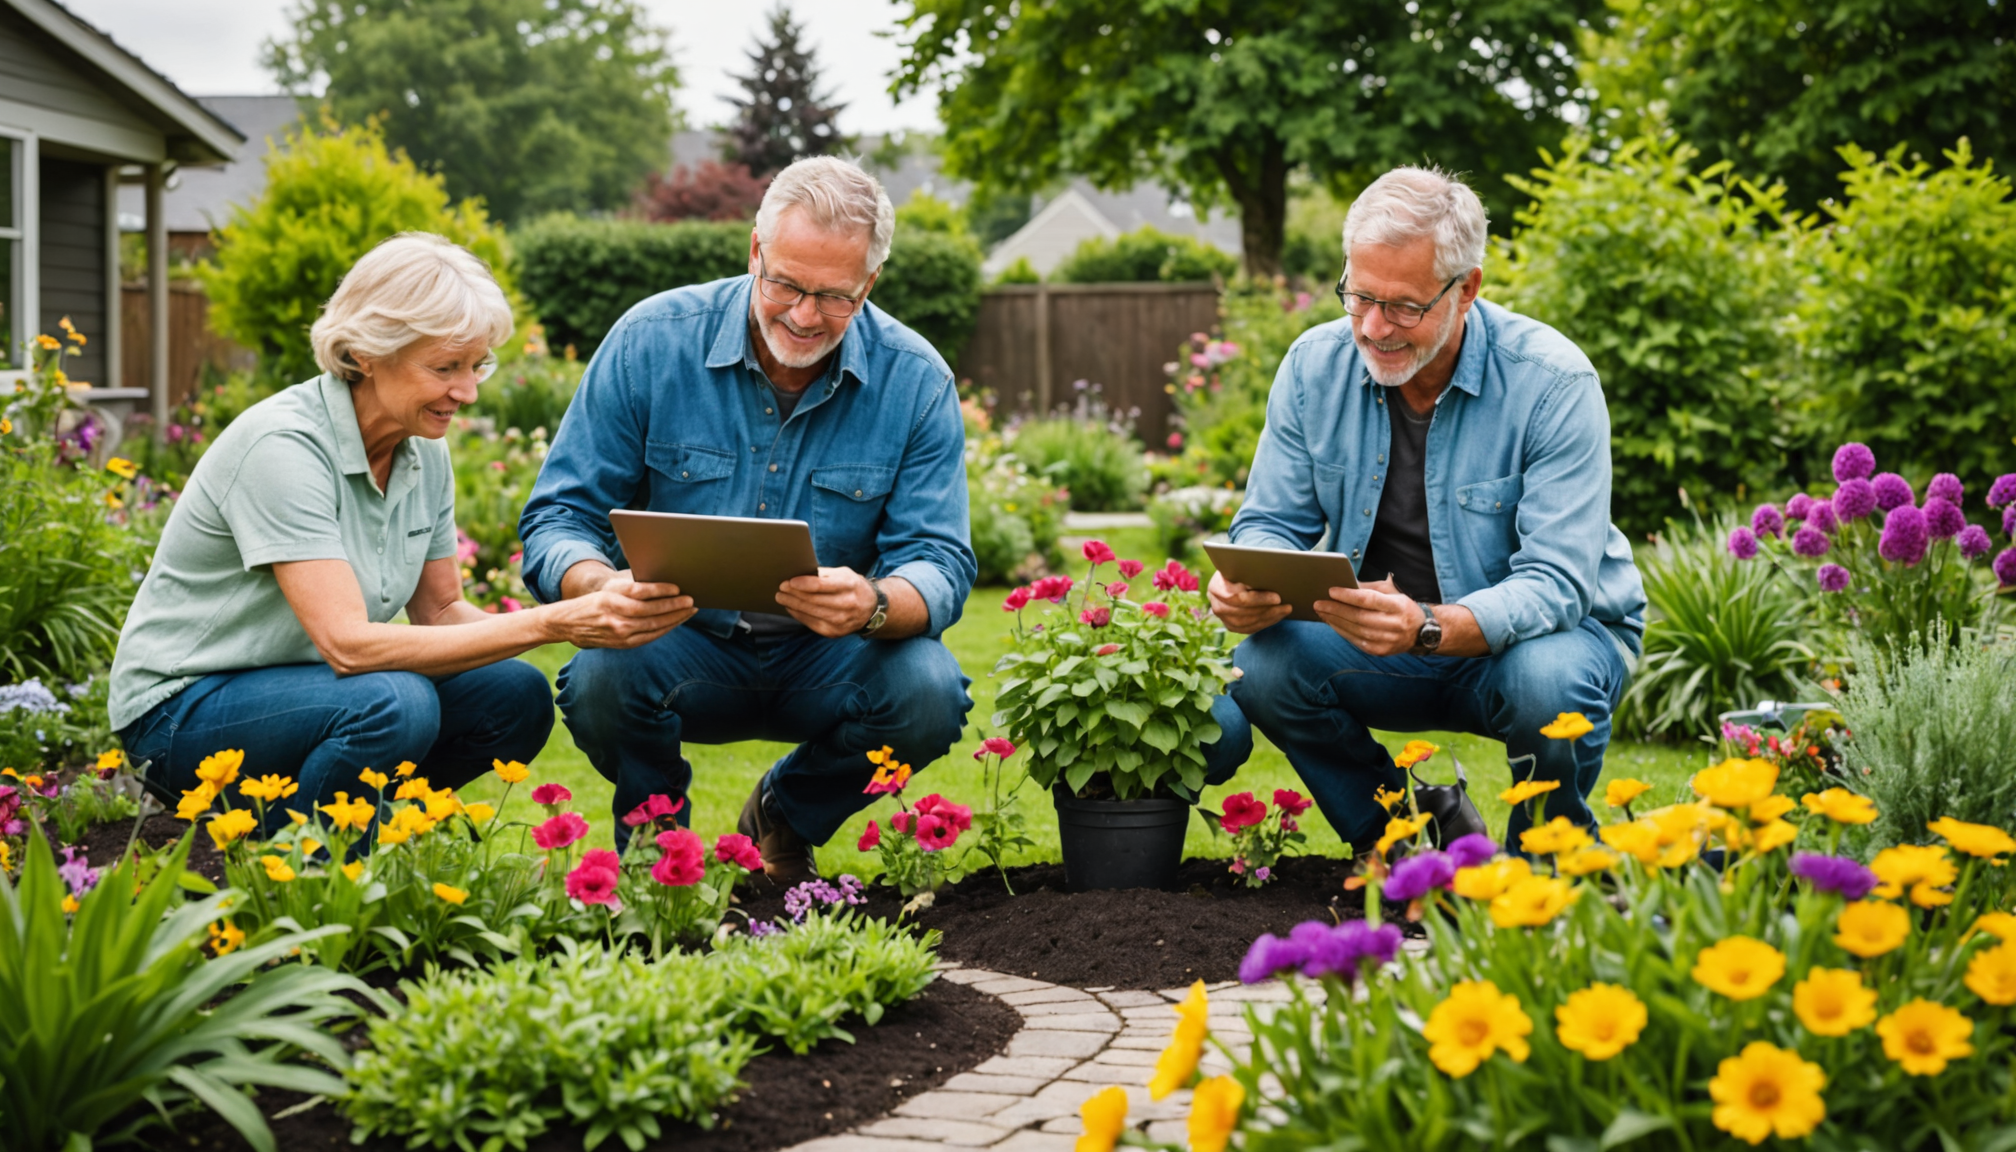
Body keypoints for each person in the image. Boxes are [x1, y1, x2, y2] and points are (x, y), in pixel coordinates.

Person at [111, 233, 682, 824]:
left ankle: (367, 831)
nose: (467, 391)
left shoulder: (421, 451)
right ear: (366, 354)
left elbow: (439, 612)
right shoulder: (284, 447)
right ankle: (314, 866)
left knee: (514, 694)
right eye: (445, 367)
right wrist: (552, 621)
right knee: (393, 702)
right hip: (183, 713)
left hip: (313, 694)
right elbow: (349, 646)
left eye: (476, 364)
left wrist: (590, 605)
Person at [518, 156, 976, 881]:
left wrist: (875, 603)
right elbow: (557, 515)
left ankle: (783, 817)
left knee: (928, 689)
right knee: (598, 675)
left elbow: (940, 559)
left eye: (834, 296)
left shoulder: (915, 379)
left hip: (828, 658)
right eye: (787, 284)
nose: (802, 315)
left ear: (871, 284)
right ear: (755, 251)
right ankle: (658, 849)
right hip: (673, 644)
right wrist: (595, 587)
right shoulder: (651, 341)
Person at [1209, 167, 1646, 852]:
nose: (1375, 328)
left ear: (1466, 288)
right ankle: (1397, 843)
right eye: (1360, 297)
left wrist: (1430, 626)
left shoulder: (1554, 381)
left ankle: (1545, 866)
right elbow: (1270, 521)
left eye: (1405, 307)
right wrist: (1246, 584)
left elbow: (1559, 584)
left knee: (1547, 682)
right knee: (1263, 664)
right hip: (1386, 646)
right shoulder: (1312, 366)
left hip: (1539, 643)